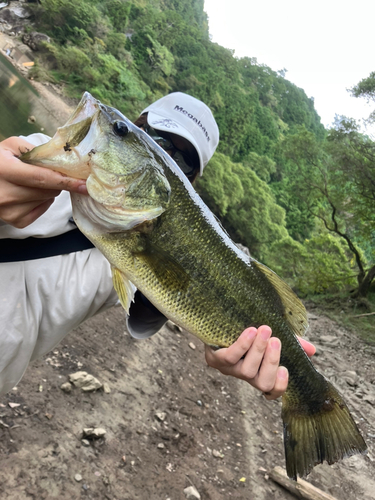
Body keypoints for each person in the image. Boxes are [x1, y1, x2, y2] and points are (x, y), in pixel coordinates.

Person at [0, 92, 315, 399]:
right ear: (140, 128)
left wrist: (228, 344)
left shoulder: (144, 255)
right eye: (160, 144)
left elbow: (169, 305)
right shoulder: (35, 156)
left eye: (182, 163)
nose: (170, 159)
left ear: (186, 182)